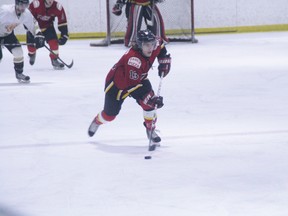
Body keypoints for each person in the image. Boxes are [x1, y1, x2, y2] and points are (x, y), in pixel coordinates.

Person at [88, 29, 171, 147]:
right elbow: (132, 84)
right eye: (146, 45)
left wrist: (164, 60)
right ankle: (97, 120)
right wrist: (150, 99)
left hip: (138, 79)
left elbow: (160, 46)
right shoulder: (133, 60)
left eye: (151, 44)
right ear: (139, 45)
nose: (150, 48)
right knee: (110, 115)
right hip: (117, 85)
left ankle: (150, 129)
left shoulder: (155, 44)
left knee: (149, 105)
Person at [0, 0, 45, 83]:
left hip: (8, 35)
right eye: (21, 5)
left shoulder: (26, 14)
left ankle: (19, 73)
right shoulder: (6, 11)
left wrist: (38, 34)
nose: (23, 7)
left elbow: (33, 24)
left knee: (18, 52)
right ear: (16, 4)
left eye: (26, 5)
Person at [26, 0, 69, 70]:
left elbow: (62, 21)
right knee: (31, 47)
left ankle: (54, 59)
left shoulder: (58, 7)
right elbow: (27, 18)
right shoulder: (35, 4)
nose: (50, 1)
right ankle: (32, 54)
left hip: (48, 27)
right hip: (34, 28)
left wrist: (64, 34)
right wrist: (29, 29)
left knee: (54, 43)